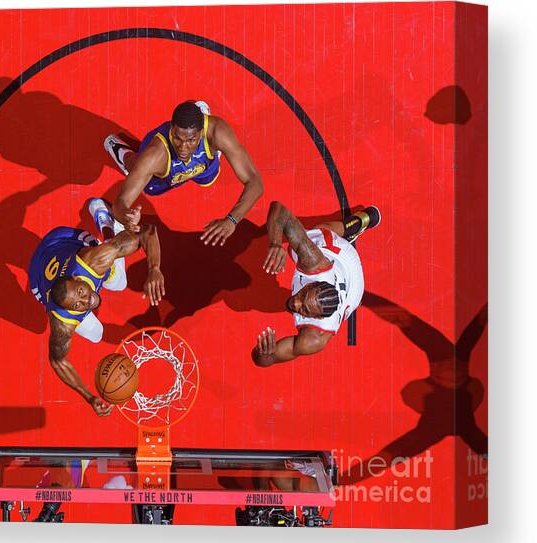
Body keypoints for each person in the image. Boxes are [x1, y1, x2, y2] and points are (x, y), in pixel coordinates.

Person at [28, 199, 164, 415]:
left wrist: (154, 268)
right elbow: (58, 361)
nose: (87, 302)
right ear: (68, 310)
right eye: (78, 305)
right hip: (37, 274)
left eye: (81, 293)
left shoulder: (93, 261)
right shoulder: (62, 322)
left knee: (118, 282)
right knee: (96, 334)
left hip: (62, 240)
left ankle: (106, 221)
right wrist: (89, 396)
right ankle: (112, 232)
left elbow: (147, 231)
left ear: (77, 278)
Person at [104, 100, 263, 246]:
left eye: (191, 140)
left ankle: (201, 120)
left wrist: (232, 220)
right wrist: (127, 216)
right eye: (177, 138)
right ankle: (123, 153)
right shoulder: (155, 155)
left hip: (202, 165)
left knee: (209, 178)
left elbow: (255, 182)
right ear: (171, 129)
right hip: (165, 173)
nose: (183, 148)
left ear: (201, 133)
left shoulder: (217, 132)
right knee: (138, 169)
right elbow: (120, 203)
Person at [252, 201, 380, 366]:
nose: (296, 302)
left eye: (304, 309)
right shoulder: (314, 263)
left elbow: (266, 360)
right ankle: (355, 224)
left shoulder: (314, 339)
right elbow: (279, 209)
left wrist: (263, 354)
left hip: (353, 292)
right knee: (317, 233)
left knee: (300, 244)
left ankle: (357, 223)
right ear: (312, 283)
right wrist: (275, 244)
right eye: (303, 293)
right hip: (344, 258)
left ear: (316, 318)